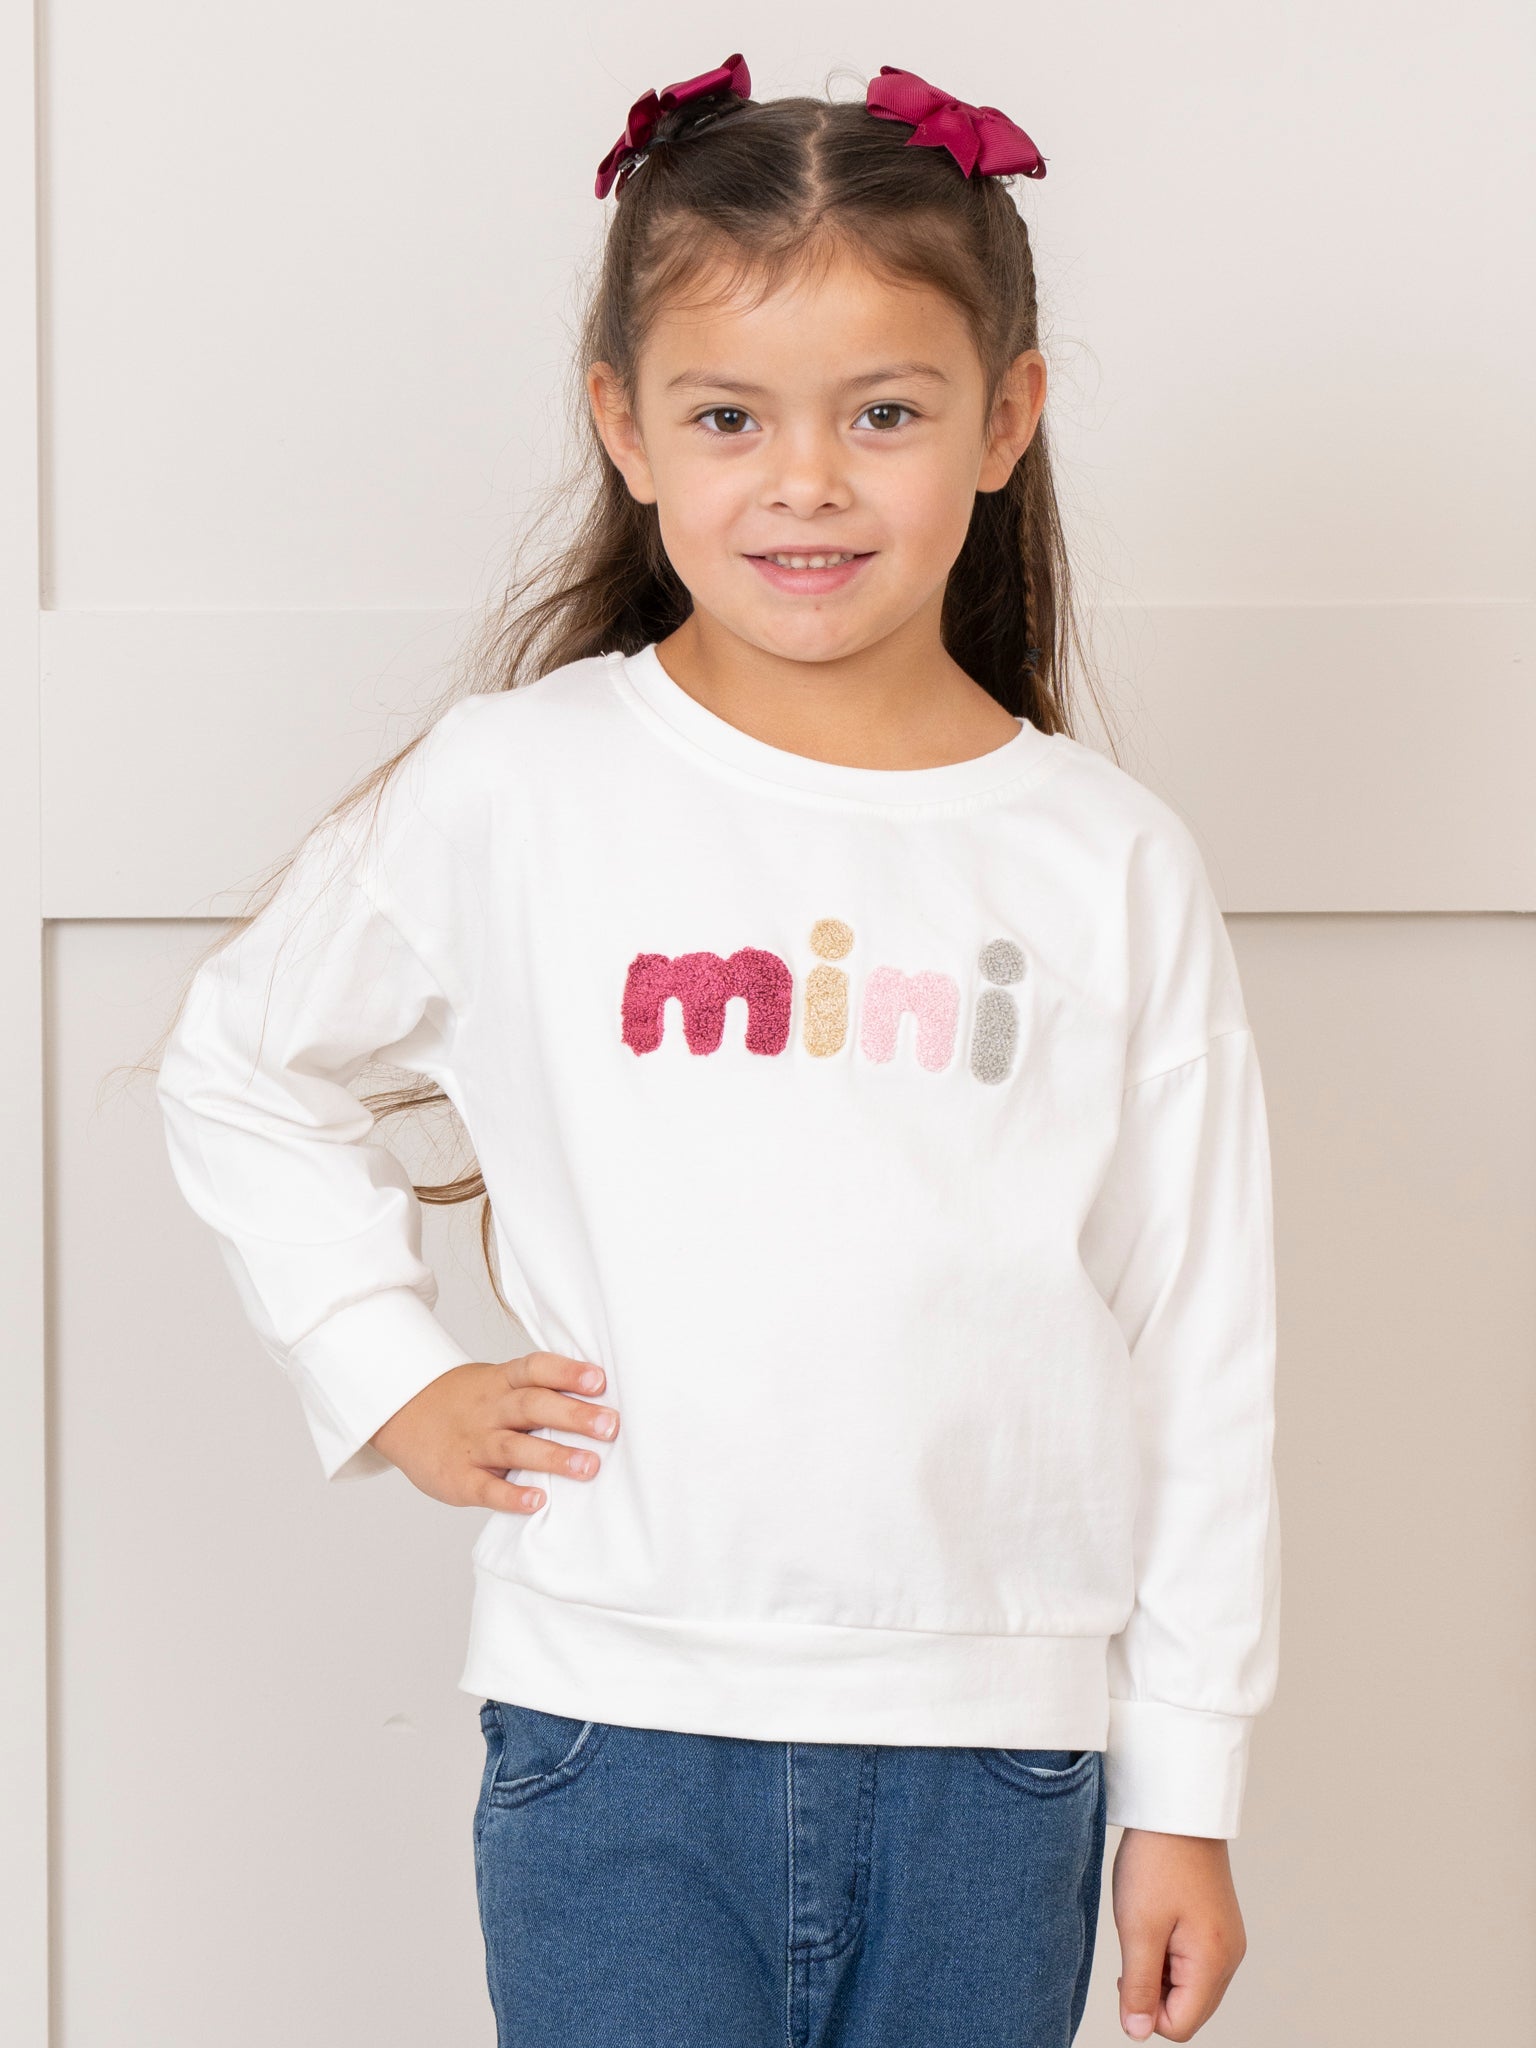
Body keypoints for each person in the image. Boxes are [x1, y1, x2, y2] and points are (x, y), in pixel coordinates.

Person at [153, 51, 1280, 2048]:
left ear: (1006, 417)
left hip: (998, 1763)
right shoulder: (520, 786)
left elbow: (1198, 1339)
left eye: (885, 413)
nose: (807, 479)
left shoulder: (1104, 859)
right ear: (627, 425)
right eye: (730, 415)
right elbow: (243, 1063)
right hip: (613, 1737)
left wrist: (1184, 1783)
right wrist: (386, 1370)